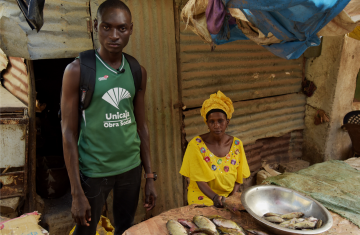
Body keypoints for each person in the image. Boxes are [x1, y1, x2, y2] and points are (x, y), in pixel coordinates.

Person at [61, 1, 157, 234]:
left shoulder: (137, 71)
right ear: (95, 26)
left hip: (130, 169)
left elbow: (141, 125)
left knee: (125, 227)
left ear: (131, 29)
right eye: (107, 27)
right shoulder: (77, 71)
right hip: (94, 171)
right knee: (86, 229)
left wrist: (149, 175)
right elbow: (68, 133)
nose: (114, 35)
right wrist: (76, 192)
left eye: (122, 28)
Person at [179, 90, 250, 207]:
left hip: (227, 195)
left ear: (227, 122)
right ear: (207, 123)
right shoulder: (196, 145)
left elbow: (239, 177)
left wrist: (231, 197)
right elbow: (199, 179)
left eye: (220, 121)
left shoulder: (237, 144)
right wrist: (215, 198)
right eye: (212, 121)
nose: (216, 125)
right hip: (202, 195)